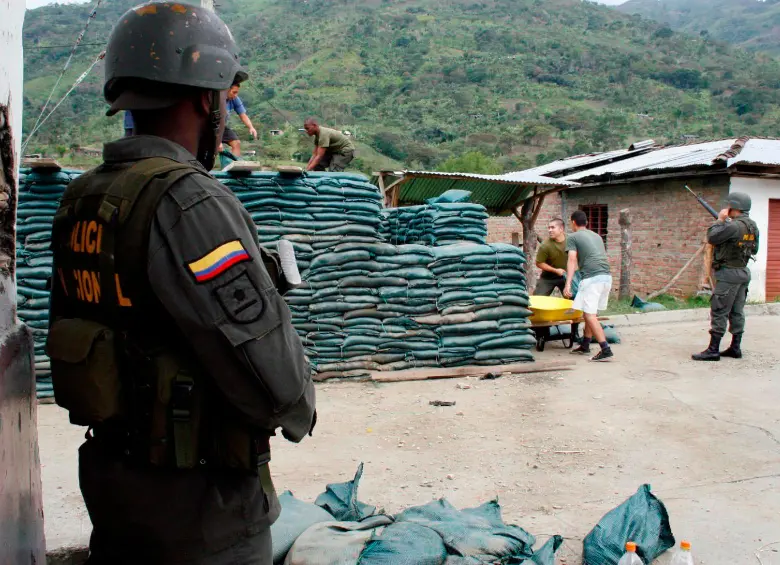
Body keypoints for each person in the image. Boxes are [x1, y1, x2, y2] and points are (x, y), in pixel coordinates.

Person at [46, 3, 316, 564]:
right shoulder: (190, 201)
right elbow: (277, 382)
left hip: (120, 502)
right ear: (205, 99)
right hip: (202, 519)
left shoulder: (83, 200)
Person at [692, 192, 759, 361]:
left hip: (728, 273)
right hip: (743, 271)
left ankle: (713, 350)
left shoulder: (733, 226)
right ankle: (735, 348)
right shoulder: (752, 226)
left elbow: (712, 237)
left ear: (733, 207)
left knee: (720, 310)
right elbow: (754, 249)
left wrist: (720, 220)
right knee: (737, 312)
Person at [563, 210, 614, 362]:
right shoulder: (597, 236)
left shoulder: (572, 236)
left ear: (573, 222)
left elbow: (572, 260)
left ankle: (605, 349)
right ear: (586, 222)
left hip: (592, 279)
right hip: (606, 277)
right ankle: (585, 345)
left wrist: (568, 284)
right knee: (590, 312)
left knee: (590, 315)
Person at [219, 80, 257, 157]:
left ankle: (234, 166)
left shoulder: (234, 99)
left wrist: (251, 127)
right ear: (226, 90)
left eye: (237, 92)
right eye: (234, 92)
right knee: (215, 148)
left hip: (222, 127)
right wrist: (217, 142)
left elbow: (243, 115)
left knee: (236, 143)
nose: (236, 95)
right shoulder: (217, 99)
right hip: (209, 127)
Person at [534, 218, 568, 296]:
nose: (550, 230)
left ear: (561, 229)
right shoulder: (545, 245)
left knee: (575, 299)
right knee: (537, 300)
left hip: (566, 277)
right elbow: (539, 263)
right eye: (549, 228)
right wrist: (555, 270)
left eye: (553, 227)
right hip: (548, 277)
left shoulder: (571, 241)